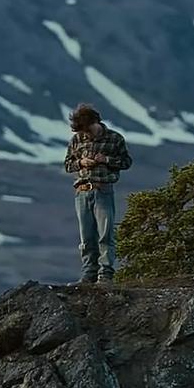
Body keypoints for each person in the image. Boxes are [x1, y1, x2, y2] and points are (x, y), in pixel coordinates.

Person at [63, 103, 132, 285]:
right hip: (82, 192)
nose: (85, 135)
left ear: (94, 123)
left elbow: (126, 162)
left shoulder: (115, 139)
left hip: (103, 190)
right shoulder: (77, 140)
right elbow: (68, 164)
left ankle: (106, 274)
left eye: (86, 130)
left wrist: (106, 160)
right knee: (87, 237)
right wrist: (81, 163)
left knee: (105, 234)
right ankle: (88, 274)